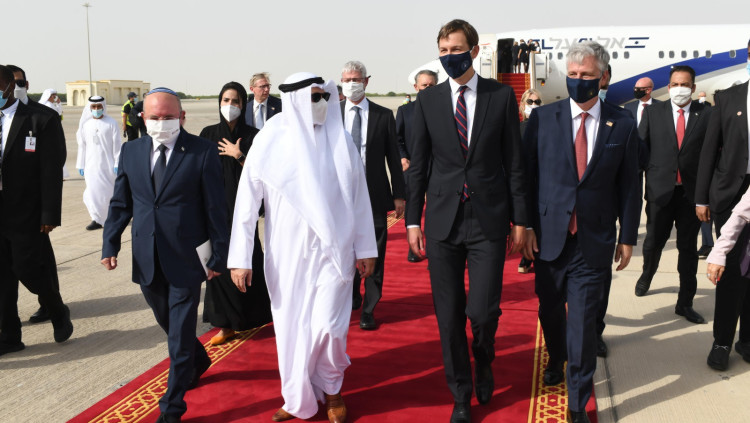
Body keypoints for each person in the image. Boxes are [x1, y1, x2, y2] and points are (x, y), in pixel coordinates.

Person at [228, 72, 377, 423]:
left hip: (334, 251)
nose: (322, 103)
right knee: (292, 328)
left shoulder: (339, 138)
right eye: (314, 97)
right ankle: (296, 397)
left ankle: (332, 388)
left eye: (324, 96)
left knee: (329, 327)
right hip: (287, 254)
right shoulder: (269, 140)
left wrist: (366, 248)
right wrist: (240, 258)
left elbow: (359, 197)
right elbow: (246, 203)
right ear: (294, 100)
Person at [406, 20, 528, 423]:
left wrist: (520, 219)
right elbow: (419, 166)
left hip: (488, 220)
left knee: (483, 312)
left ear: (474, 51)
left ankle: (484, 357)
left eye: (455, 49)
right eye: (442, 50)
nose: (448, 57)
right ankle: (460, 393)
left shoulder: (500, 96)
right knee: (449, 316)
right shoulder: (428, 101)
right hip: (442, 222)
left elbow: (514, 163)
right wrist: (412, 221)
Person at [523, 41, 640, 423]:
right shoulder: (543, 119)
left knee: (584, 324)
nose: (578, 81)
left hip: (593, 239)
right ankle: (555, 355)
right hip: (549, 238)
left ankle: (577, 403)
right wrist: (524, 225)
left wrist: (627, 237)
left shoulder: (622, 123)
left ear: (602, 77)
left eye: (586, 75)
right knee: (550, 310)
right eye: (572, 75)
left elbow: (629, 184)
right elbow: (525, 177)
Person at [101, 87, 228, 423]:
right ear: (143, 118)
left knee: (179, 337)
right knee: (168, 323)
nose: (162, 122)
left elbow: (216, 208)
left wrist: (220, 255)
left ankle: (171, 408)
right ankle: (198, 360)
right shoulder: (131, 151)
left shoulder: (201, 152)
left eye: (169, 117)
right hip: (147, 255)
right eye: (155, 117)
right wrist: (110, 243)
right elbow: (121, 203)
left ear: (182, 117)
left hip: (187, 257)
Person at [0, 65, 73, 356]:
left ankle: (56, 308)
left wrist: (49, 214)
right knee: (2, 278)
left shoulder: (41, 118)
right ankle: (9, 336)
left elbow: (51, 170)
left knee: (26, 268)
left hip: (26, 211)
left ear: (9, 86)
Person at [634, 66, 712, 326]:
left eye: (685, 84)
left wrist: (706, 195)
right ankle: (647, 275)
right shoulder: (653, 113)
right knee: (653, 242)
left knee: (687, 249)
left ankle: (685, 302)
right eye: (675, 84)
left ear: (693, 88)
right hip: (660, 193)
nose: (680, 89)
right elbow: (640, 151)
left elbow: (712, 153)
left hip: (691, 195)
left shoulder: (706, 114)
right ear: (668, 87)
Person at [199, 82, 271, 345]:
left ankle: (254, 316)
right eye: (226, 100)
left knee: (249, 259)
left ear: (244, 104)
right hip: (215, 211)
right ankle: (225, 325)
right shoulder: (208, 134)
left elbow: (264, 174)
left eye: (236, 101)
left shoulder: (254, 136)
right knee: (218, 265)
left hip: (244, 211)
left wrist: (239, 155)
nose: (230, 106)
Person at [695, 38, 750, 371]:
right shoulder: (728, 98)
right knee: (730, 268)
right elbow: (709, 151)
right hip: (731, 194)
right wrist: (702, 197)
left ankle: (748, 339)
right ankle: (722, 341)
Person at [340, 60, 406, 330]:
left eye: (356, 79)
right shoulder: (332, 114)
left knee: (374, 251)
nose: (351, 84)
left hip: (374, 195)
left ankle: (370, 307)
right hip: (340, 197)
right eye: (347, 80)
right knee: (345, 250)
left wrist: (399, 194)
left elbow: (394, 158)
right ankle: (351, 294)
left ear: (367, 81)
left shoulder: (383, 115)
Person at [396, 69, 437, 263]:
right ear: (416, 87)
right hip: (413, 168)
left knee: (436, 210)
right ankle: (413, 247)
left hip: (438, 168)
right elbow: (397, 138)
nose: (427, 88)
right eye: (424, 85)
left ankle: (436, 250)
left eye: (431, 85)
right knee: (414, 206)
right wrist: (403, 158)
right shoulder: (405, 111)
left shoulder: (445, 109)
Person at [75, 96, 121, 231]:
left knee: (108, 192)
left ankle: (111, 217)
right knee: (92, 192)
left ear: (103, 107)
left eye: (99, 106)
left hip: (108, 165)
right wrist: (80, 164)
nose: (96, 109)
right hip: (90, 166)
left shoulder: (111, 123)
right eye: (93, 107)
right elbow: (82, 146)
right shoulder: (86, 125)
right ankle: (96, 218)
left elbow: (117, 145)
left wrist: (117, 162)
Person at [518, 88, 543, 274]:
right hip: (523, 181)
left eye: (537, 102)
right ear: (522, 105)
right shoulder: (516, 128)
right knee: (526, 221)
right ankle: (527, 255)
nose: (533, 105)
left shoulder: (547, 127)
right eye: (530, 102)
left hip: (542, 181)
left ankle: (533, 255)